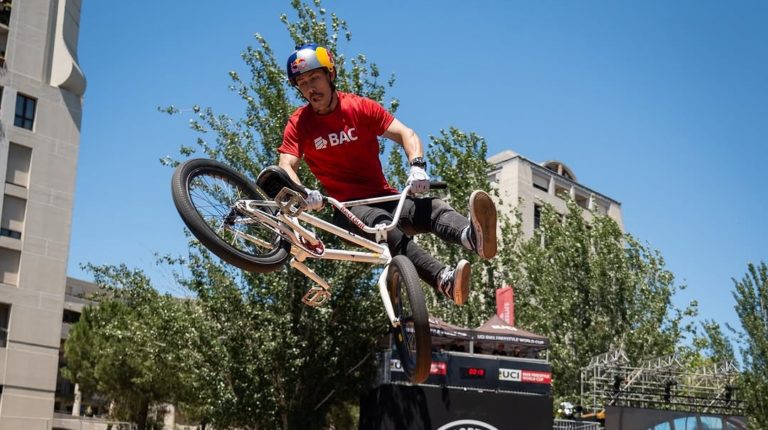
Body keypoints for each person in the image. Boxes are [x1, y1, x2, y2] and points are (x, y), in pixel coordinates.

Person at [277, 43, 497, 305]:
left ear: (331, 75)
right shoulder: (299, 123)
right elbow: (286, 165)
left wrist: (417, 167)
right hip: (347, 208)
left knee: (431, 208)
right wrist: (303, 194)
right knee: (383, 228)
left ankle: (472, 236)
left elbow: (407, 134)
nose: (311, 88)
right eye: (302, 83)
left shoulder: (359, 108)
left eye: (315, 78)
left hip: (384, 196)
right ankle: (443, 280)